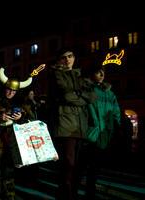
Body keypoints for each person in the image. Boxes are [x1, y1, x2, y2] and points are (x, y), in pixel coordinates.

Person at [47, 48, 96, 200]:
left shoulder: (80, 74)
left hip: (81, 125)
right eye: (64, 57)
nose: (67, 59)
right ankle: (65, 194)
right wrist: (82, 98)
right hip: (66, 125)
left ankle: (71, 193)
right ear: (59, 60)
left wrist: (80, 95)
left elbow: (92, 96)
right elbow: (66, 95)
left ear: (74, 58)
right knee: (68, 164)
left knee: (78, 166)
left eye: (70, 56)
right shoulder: (57, 74)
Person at [0, 66, 34, 200]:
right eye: (8, 89)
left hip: (13, 144)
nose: (10, 93)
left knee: (9, 174)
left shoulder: (23, 104)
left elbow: (31, 122)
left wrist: (20, 118)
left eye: (13, 91)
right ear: (4, 88)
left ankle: (9, 196)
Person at [83, 65, 121, 199]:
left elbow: (116, 111)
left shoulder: (109, 93)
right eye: (98, 72)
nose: (101, 75)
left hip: (105, 132)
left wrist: (117, 125)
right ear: (92, 74)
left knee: (96, 165)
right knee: (89, 165)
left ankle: (90, 191)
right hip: (92, 131)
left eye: (102, 73)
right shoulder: (88, 89)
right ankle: (89, 192)